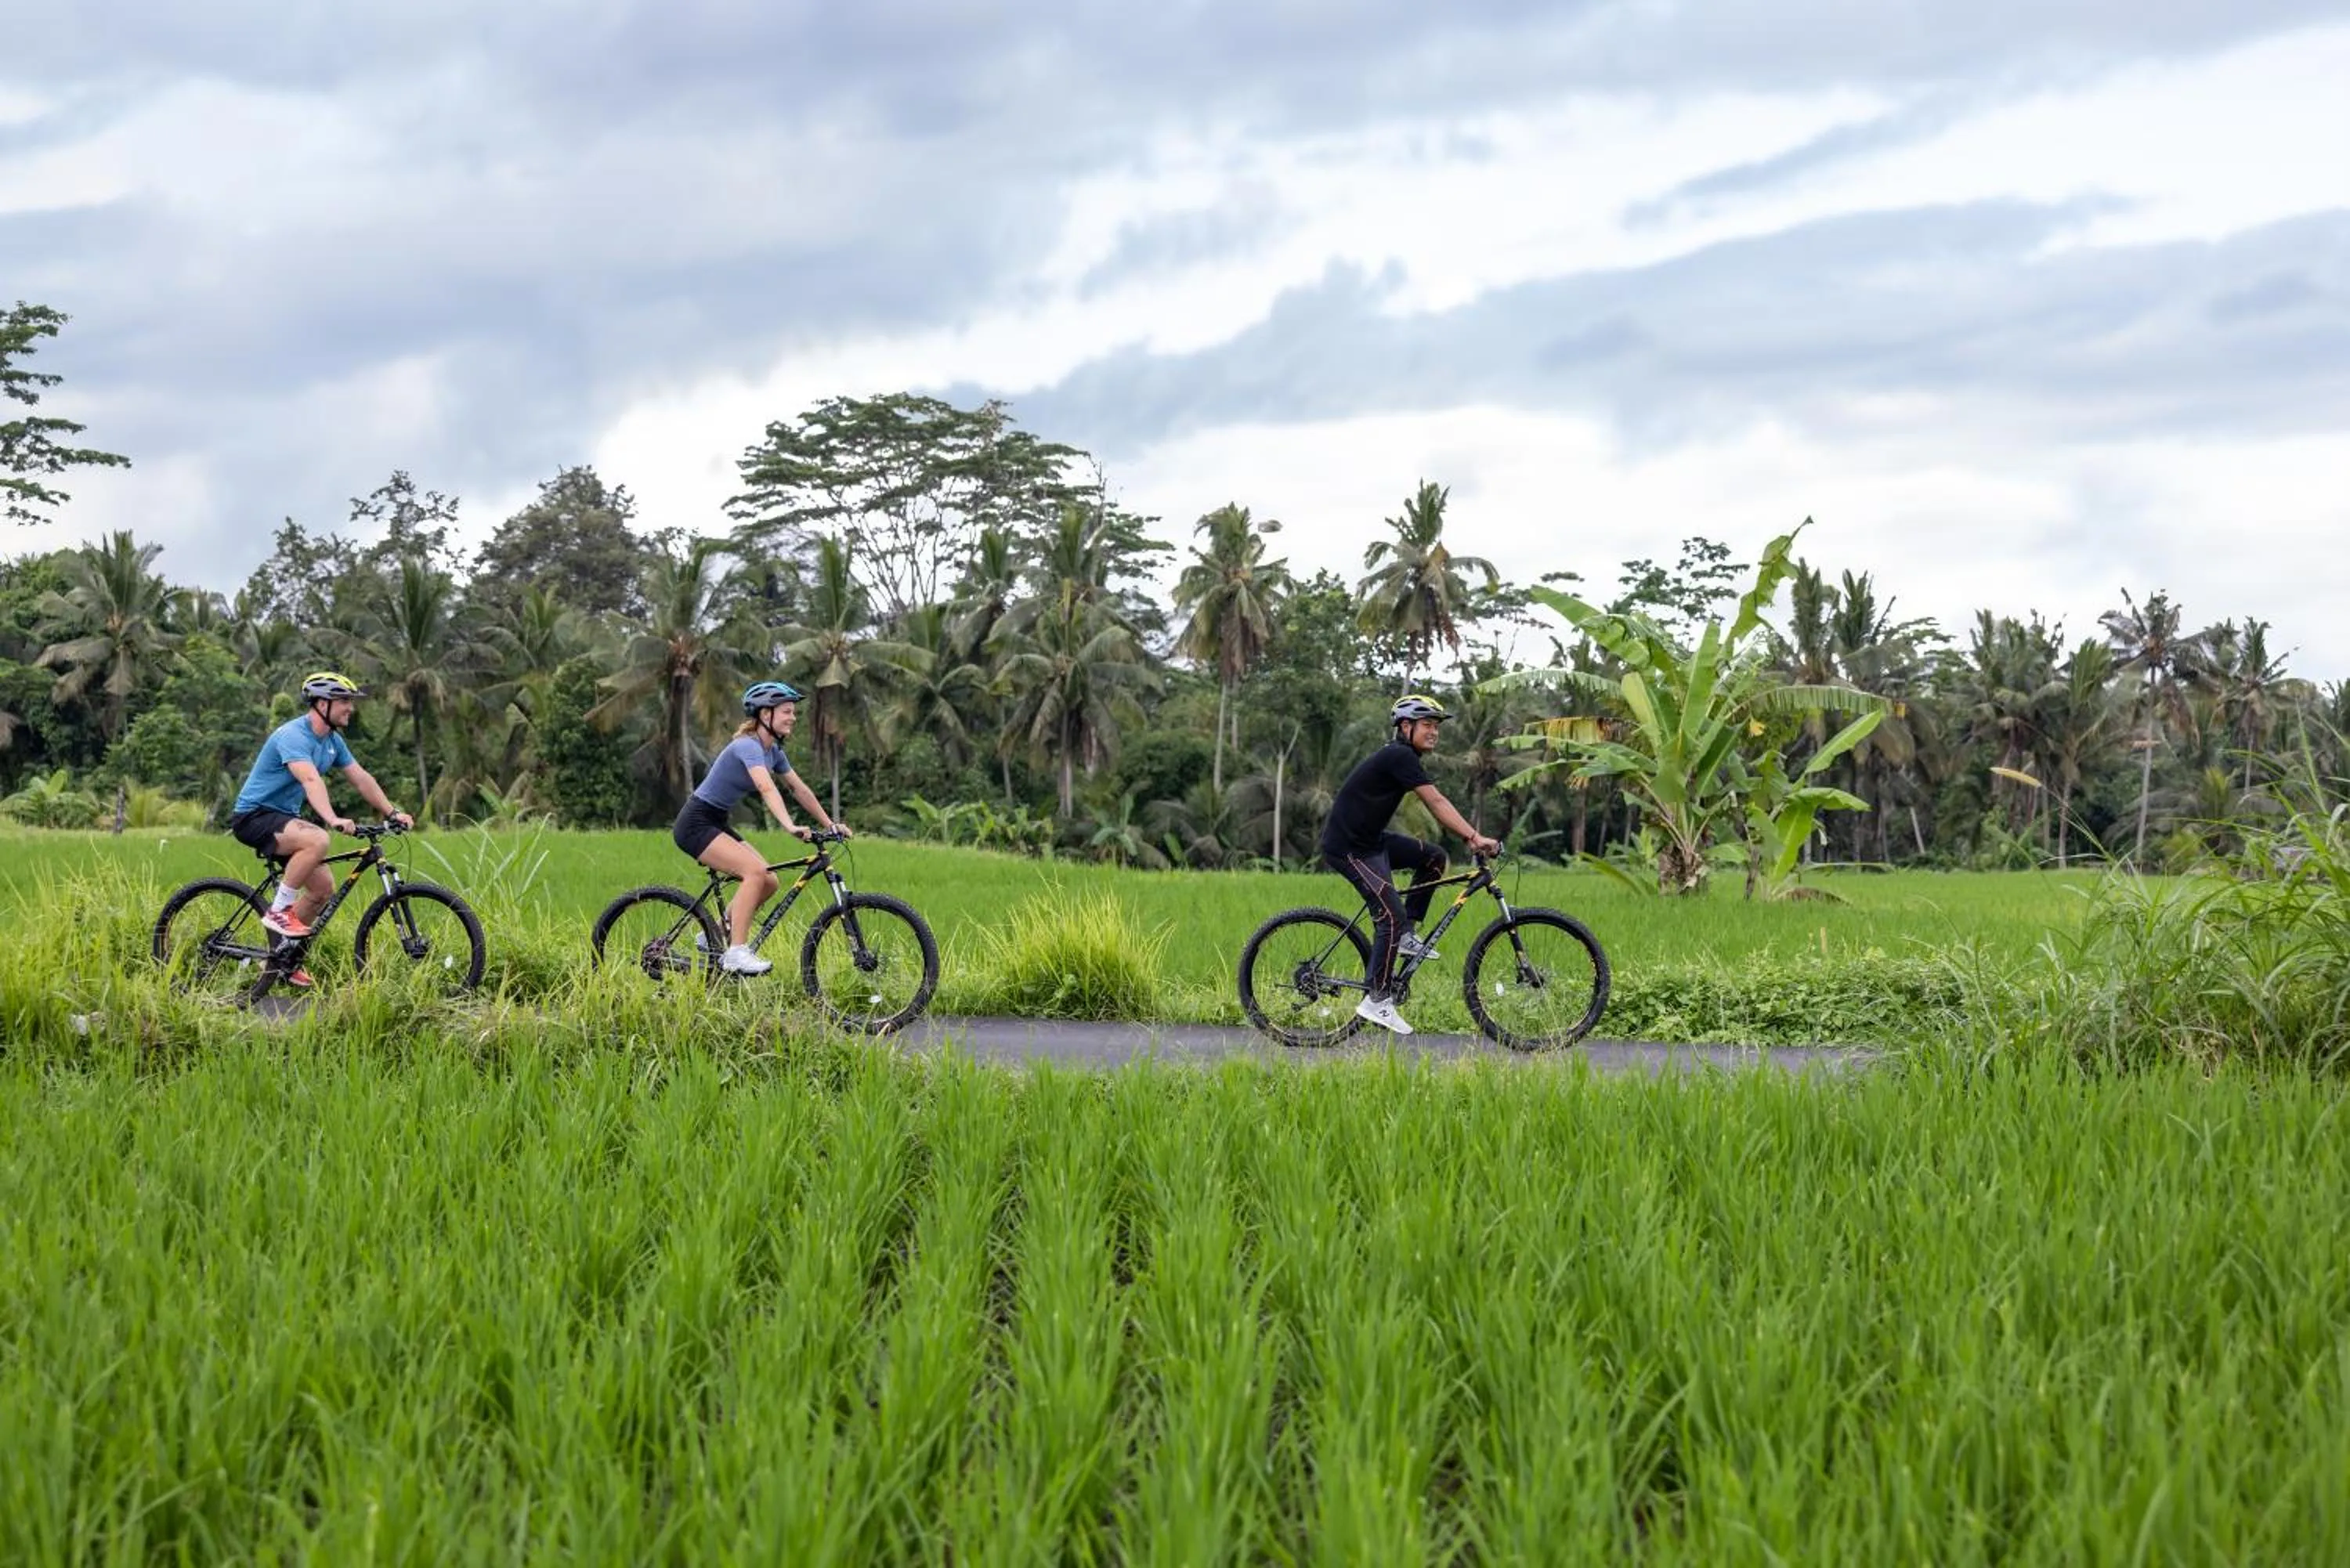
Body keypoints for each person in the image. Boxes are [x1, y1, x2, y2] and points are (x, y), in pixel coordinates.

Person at [1319, 693, 1502, 1035]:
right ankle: (1377, 999)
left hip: (1372, 841)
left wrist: (1467, 838)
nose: (1434, 732)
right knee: (1389, 915)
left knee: (1434, 857)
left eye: (1436, 726)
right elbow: (1435, 800)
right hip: (1348, 848)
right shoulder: (1399, 756)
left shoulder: (1404, 757)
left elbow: (1436, 801)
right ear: (1406, 727)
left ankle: (1405, 934)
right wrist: (1474, 837)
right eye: (1428, 725)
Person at [225, 671, 414, 987]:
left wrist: (392, 811)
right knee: (317, 839)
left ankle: (279, 960)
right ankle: (279, 910)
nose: (350, 708)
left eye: (350, 702)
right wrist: (332, 818)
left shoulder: (332, 742)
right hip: (254, 817)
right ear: (321, 703)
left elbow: (361, 778)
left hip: (284, 819)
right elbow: (310, 780)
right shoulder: (293, 735)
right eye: (343, 701)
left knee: (322, 890)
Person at [675, 679, 849, 975]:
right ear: (765, 715)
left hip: (716, 821)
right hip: (695, 823)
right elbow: (766, 788)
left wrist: (829, 824)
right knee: (754, 873)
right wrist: (789, 825)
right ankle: (736, 953)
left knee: (768, 881)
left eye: (793, 712)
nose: (793, 717)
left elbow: (799, 789)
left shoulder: (774, 753)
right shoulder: (747, 746)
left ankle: (714, 934)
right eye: (787, 711)